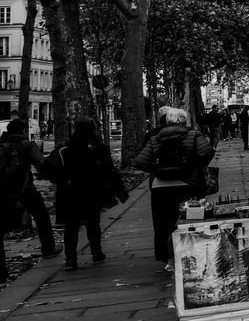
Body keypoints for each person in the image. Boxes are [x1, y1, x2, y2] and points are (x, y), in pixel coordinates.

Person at [132, 106, 213, 269]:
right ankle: (192, 255)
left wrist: (157, 170)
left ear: (167, 121)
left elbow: (140, 162)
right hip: (188, 185)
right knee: (190, 220)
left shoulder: (155, 138)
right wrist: (195, 166)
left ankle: (167, 259)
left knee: (163, 224)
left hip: (161, 187)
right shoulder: (193, 134)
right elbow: (206, 153)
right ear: (184, 121)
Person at [44, 119, 126, 269]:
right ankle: (97, 253)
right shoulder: (99, 147)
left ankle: (70, 259)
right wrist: (119, 191)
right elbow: (109, 171)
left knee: (71, 226)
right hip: (92, 190)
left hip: (70, 192)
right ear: (94, 128)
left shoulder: (65, 148)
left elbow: (48, 169)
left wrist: (62, 180)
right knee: (93, 223)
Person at [0, 118, 55, 259]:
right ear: (24, 130)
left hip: (4, 191)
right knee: (41, 216)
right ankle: (48, 249)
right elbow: (41, 164)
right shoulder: (26, 144)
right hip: (24, 189)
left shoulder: (1, 144)